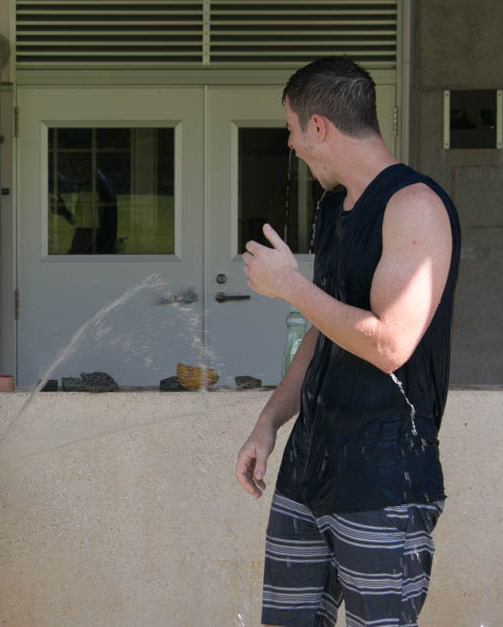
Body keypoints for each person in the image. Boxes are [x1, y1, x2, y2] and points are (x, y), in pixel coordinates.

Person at [235, 57, 460, 626]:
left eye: (290, 130)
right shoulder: (334, 208)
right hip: (308, 468)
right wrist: (269, 421)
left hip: (385, 477)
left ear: (319, 128)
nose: (290, 145)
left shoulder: (415, 207)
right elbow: (326, 330)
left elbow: (390, 345)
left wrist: (290, 287)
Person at [51, 152, 118, 254]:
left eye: (75, 162)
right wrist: (64, 212)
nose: (70, 169)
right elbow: (85, 224)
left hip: (92, 260)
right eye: (68, 164)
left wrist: (68, 259)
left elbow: (89, 232)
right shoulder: (104, 181)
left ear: (88, 161)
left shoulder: (90, 188)